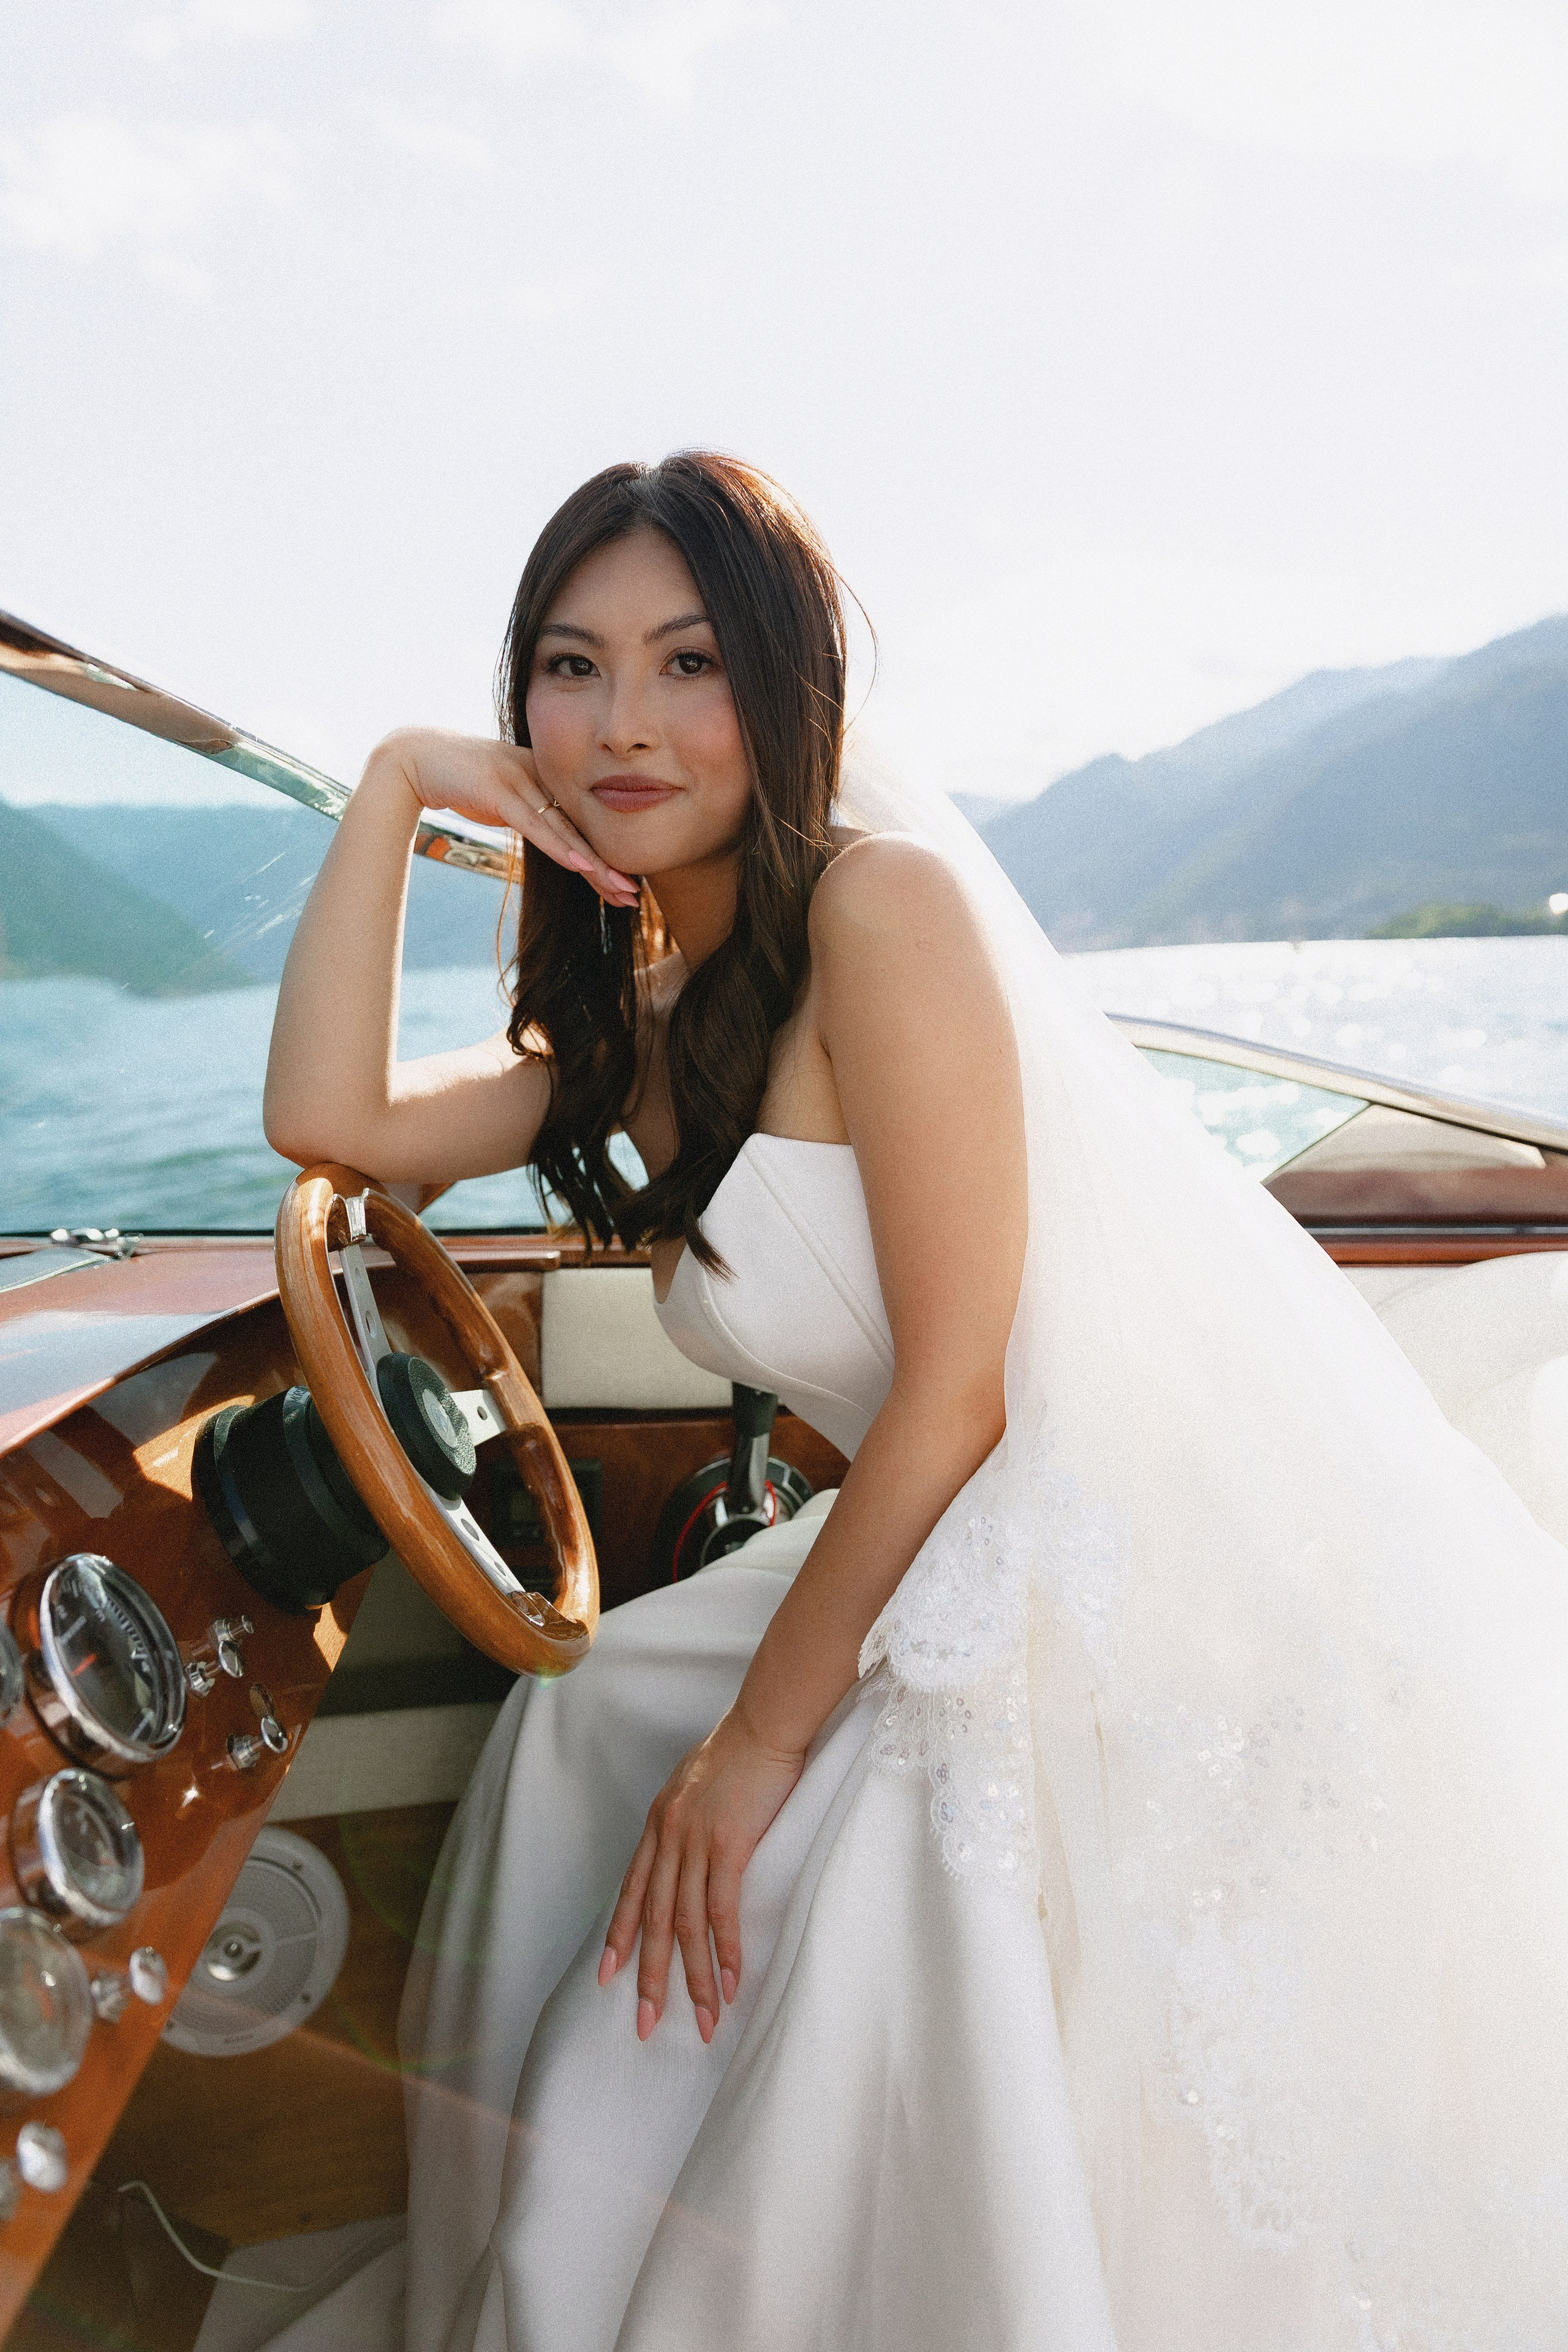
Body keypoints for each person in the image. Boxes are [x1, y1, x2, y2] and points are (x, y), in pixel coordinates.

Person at [262, 453, 1568, 2351]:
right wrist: (392, 786)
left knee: (858, 1900)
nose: (621, 722)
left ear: (782, 687)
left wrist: (760, 1755)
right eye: (571, 666)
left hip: (1070, 1521)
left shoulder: (886, 911)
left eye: (687, 663)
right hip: (936, 1510)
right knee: (586, 1719)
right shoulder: (644, 1011)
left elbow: (960, 1389)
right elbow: (332, 1125)